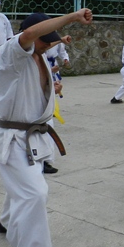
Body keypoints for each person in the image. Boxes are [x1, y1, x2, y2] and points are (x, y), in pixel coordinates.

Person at [0, 9, 94, 247]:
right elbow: (29, 36)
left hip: (35, 138)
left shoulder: (39, 56)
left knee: (23, 189)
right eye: (44, 38)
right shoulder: (11, 51)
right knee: (35, 193)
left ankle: (5, 221)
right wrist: (72, 16)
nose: (49, 43)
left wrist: (51, 86)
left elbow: (32, 87)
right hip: (15, 139)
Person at [42, 35, 72, 175]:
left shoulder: (55, 38)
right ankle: (44, 160)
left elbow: (62, 51)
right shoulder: (31, 51)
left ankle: (46, 159)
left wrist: (65, 59)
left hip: (50, 69)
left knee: (48, 124)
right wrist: (48, 72)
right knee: (46, 126)